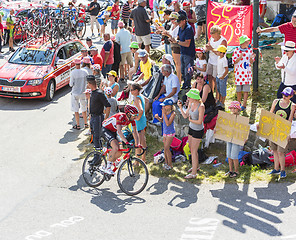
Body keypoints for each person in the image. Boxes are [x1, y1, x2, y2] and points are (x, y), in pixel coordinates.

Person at [101, 105, 140, 175]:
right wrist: (127, 142)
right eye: (134, 115)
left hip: (113, 131)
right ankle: (108, 167)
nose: (135, 117)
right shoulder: (120, 116)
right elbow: (119, 131)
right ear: (128, 114)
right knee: (115, 147)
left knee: (120, 152)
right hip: (105, 129)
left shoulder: (132, 120)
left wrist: (138, 144)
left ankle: (109, 161)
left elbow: (135, 131)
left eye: (136, 115)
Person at [266, 87, 296, 178]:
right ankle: (276, 169)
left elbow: (290, 120)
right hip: (274, 129)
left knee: (281, 152)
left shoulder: (292, 105)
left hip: (283, 131)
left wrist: (287, 133)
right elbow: (270, 114)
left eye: (286, 95)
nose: (284, 96)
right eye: (283, 94)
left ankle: (283, 170)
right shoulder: (276, 101)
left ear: (291, 96)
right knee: (274, 150)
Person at [177, 89, 205, 179]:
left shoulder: (201, 106)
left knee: (193, 151)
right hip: (191, 128)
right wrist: (180, 107)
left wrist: (190, 120)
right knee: (191, 148)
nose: (188, 98)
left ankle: (194, 173)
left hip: (198, 130)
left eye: (189, 96)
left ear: (194, 97)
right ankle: (195, 166)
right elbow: (185, 115)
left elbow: (200, 121)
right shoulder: (190, 103)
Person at [86, 75, 111, 166]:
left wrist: (105, 119)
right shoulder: (93, 92)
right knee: (95, 138)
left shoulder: (99, 93)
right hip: (93, 117)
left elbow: (108, 105)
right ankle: (97, 156)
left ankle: (97, 158)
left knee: (97, 137)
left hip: (98, 117)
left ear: (89, 84)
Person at [170, 14, 195, 89]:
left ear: (184, 21)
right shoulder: (181, 28)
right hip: (182, 52)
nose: (178, 24)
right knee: (183, 71)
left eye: (179, 22)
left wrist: (177, 42)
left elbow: (187, 43)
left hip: (189, 53)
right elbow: (178, 37)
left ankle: (188, 85)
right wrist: (172, 39)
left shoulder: (188, 28)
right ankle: (185, 84)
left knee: (188, 71)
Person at [232, 35, 256, 110]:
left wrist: (252, 58)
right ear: (242, 43)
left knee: (246, 89)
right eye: (246, 42)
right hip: (239, 74)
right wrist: (240, 57)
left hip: (247, 74)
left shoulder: (250, 51)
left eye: (248, 42)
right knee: (238, 89)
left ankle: (244, 104)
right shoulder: (236, 51)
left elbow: (251, 62)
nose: (248, 43)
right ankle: (238, 103)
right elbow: (234, 61)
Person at [205, 25, 227, 94]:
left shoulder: (223, 41)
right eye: (210, 33)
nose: (211, 34)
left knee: (215, 79)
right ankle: (211, 92)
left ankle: (218, 95)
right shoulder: (211, 39)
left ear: (217, 33)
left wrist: (211, 49)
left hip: (218, 63)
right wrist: (205, 49)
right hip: (210, 61)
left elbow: (220, 53)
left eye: (212, 33)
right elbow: (207, 46)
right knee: (209, 77)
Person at [155, 99, 176, 170]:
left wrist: (163, 114)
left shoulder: (173, 113)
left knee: (167, 148)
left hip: (170, 133)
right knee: (165, 149)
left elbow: (168, 123)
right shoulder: (165, 112)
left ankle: (170, 165)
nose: (163, 107)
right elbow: (163, 121)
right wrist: (158, 118)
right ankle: (166, 163)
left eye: (165, 106)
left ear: (169, 106)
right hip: (165, 132)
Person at [224, 101, 243, 178]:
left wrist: (244, 138)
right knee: (229, 155)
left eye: (235, 108)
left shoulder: (241, 119)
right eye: (232, 108)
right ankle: (230, 170)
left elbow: (244, 130)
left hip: (236, 139)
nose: (233, 110)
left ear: (238, 109)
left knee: (234, 156)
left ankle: (236, 170)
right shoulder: (229, 118)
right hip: (229, 138)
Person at [69, 58, 89, 130]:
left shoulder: (73, 72)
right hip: (83, 92)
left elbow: (71, 84)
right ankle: (86, 123)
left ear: (75, 64)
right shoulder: (85, 71)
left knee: (76, 110)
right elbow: (87, 81)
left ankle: (78, 125)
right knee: (84, 109)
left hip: (75, 93)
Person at [130, 83, 147, 162]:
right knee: (143, 141)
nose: (130, 92)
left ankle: (137, 161)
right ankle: (143, 159)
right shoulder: (141, 96)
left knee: (137, 142)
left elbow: (140, 110)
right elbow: (147, 101)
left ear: (136, 90)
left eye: (132, 90)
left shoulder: (137, 99)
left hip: (138, 122)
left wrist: (137, 117)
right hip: (143, 120)